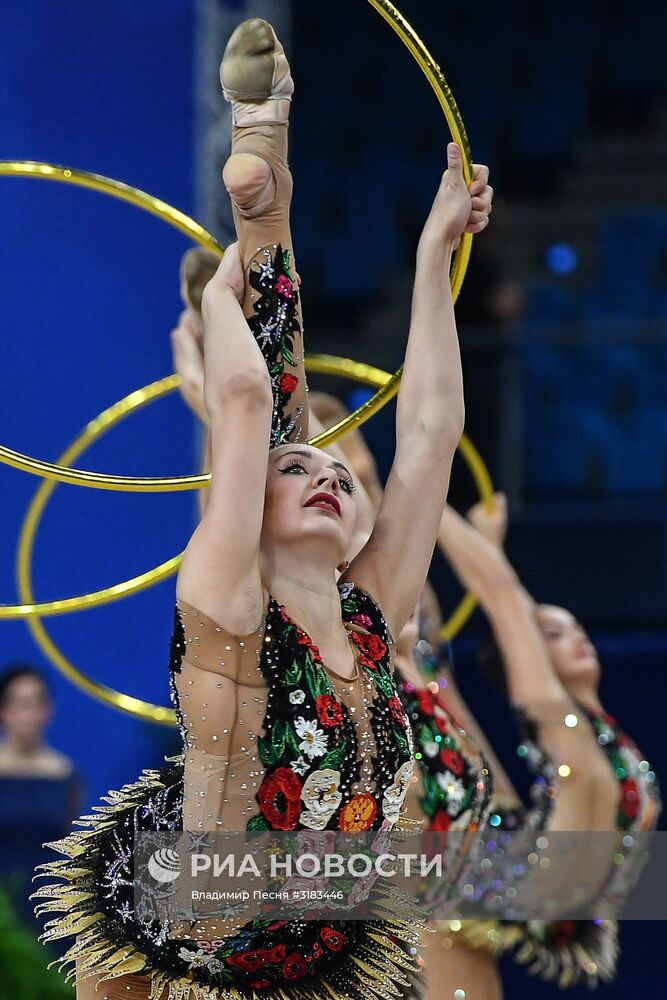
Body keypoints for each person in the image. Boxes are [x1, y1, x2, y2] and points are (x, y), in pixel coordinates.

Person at [32, 18, 493, 1000]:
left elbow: (432, 429)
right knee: (261, 409)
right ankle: (262, 159)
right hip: (200, 945)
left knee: (276, 411)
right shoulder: (228, 608)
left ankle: (263, 155)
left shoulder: (375, 611)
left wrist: (431, 253)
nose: (328, 473)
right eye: (301, 474)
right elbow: (249, 408)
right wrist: (217, 306)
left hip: (317, 953)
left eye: (335, 473)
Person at [430, 496, 660, 995]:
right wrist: (423, 495)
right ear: (527, 660)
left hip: (541, 879)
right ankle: (364, 478)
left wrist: (489, 546)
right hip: (521, 879)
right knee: (430, 674)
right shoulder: (553, 718)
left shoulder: (598, 731)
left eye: (577, 627)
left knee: (442, 697)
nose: (579, 637)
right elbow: (503, 595)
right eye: (554, 634)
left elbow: (509, 597)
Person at [0, 665, 83, 927]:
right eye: (22, 704)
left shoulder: (65, 774)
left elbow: (70, 847)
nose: (29, 714)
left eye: (37, 704)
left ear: (48, 711)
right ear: (5, 711)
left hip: (49, 906)